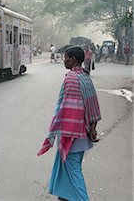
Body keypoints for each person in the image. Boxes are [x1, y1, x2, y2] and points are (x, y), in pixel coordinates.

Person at [38, 46, 101, 201]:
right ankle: (66, 195)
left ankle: (81, 198)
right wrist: (92, 127)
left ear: (73, 59)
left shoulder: (71, 78)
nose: (64, 60)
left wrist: (57, 129)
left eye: (66, 57)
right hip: (83, 132)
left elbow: (67, 108)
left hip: (72, 133)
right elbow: (92, 104)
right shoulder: (85, 77)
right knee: (71, 165)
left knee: (73, 168)